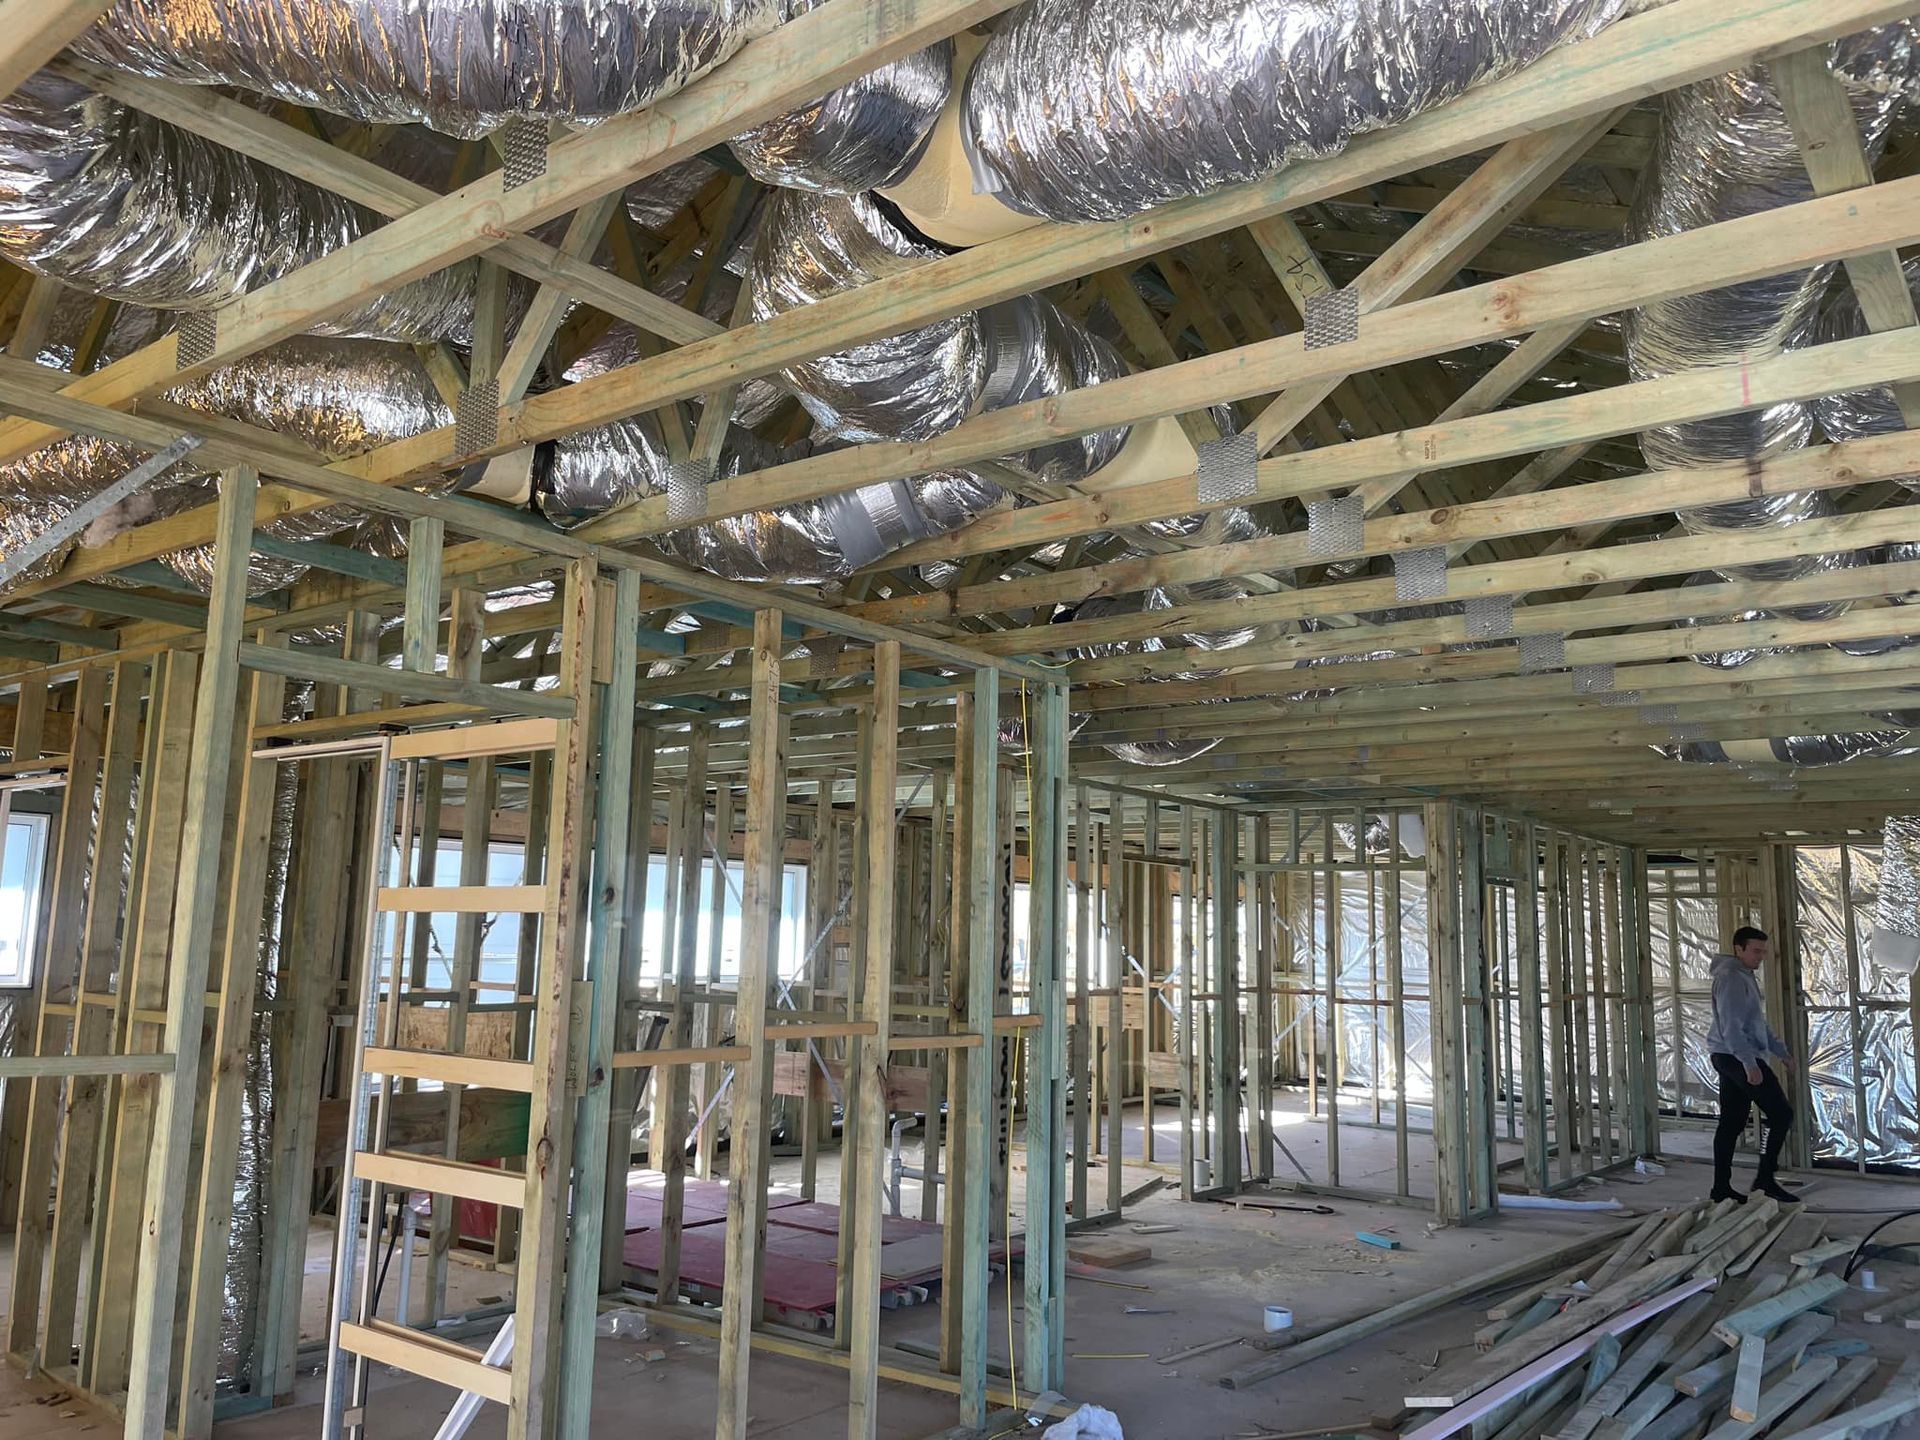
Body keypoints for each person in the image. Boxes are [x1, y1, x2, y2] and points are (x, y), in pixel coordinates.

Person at [1705, 926, 1797, 1204]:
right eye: (1756, 951)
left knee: (1732, 1122)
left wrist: (1781, 1051)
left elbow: (1757, 1022)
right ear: (1739, 949)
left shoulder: (1744, 976)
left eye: (1763, 951)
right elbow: (1731, 1026)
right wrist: (1749, 1063)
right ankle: (1765, 1180)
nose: (1761, 956)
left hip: (1732, 1054)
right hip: (1734, 1055)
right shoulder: (1732, 977)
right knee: (1781, 1114)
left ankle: (1722, 1189)